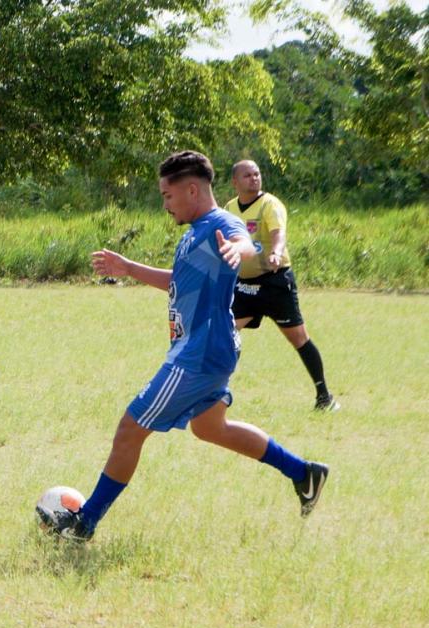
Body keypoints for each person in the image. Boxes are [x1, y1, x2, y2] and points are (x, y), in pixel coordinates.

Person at [39, 150, 329, 542]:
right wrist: (128, 268)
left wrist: (239, 252)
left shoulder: (219, 225)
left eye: (168, 196)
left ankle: (84, 523)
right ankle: (303, 473)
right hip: (208, 349)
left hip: (199, 353)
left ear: (192, 189)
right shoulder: (196, 233)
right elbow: (181, 279)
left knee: (130, 429)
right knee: (211, 428)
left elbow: (246, 244)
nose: (165, 204)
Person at [224, 160, 339, 411]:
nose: (254, 178)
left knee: (298, 338)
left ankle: (324, 396)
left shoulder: (270, 205)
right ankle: (219, 392)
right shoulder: (230, 208)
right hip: (243, 283)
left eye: (257, 174)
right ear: (235, 182)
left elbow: (279, 234)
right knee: (227, 331)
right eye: (247, 175)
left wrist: (276, 252)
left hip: (274, 282)